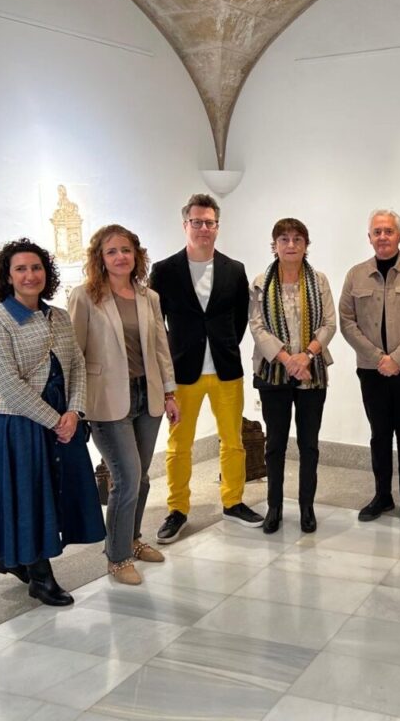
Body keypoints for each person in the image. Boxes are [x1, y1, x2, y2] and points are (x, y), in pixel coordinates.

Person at [0, 238, 105, 606]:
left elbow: (77, 366)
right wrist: (55, 420)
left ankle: (12, 556)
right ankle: (40, 576)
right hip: (21, 424)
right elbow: (10, 386)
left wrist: (75, 411)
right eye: (21, 269)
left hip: (62, 417)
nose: (30, 275)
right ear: (8, 276)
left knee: (57, 492)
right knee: (31, 496)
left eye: (36, 268)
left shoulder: (59, 316)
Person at [69, 225, 180, 585]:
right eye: (112, 251)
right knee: (126, 478)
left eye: (126, 250)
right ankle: (116, 558)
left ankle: (131, 540)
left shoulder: (149, 297)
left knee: (142, 478)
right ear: (100, 258)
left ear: (137, 255)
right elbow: (74, 354)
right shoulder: (85, 297)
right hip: (106, 400)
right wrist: (75, 405)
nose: (120, 257)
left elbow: (161, 347)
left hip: (145, 397)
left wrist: (169, 392)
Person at [149, 194, 261, 544]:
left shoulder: (234, 269)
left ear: (217, 227)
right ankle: (178, 509)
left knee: (233, 441)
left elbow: (240, 316)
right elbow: (157, 324)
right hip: (183, 372)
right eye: (196, 222)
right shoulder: (164, 271)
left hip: (226, 369)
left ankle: (233, 500)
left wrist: (224, 343)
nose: (203, 229)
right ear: (185, 225)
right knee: (179, 445)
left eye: (209, 222)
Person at [339, 209, 400, 526]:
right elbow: (346, 321)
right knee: (379, 434)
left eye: (389, 231)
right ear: (369, 237)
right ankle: (383, 495)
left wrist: (397, 358)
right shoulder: (356, 275)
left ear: (399, 236)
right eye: (377, 232)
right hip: (371, 370)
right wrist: (377, 358)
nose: (383, 237)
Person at [249, 218, 336, 534]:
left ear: (306, 245)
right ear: (274, 245)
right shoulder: (261, 281)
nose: (290, 245)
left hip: (312, 373)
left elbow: (329, 324)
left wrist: (307, 356)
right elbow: (257, 327)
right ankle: (274, 507)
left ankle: (307, 507)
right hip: (273, 373)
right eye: (283, 239)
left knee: (309, 444)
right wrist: (287, 359)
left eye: (297, 239)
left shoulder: (320, 281)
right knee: (275, 444)